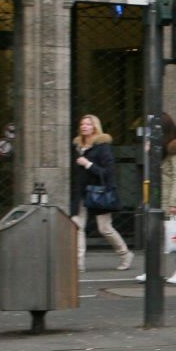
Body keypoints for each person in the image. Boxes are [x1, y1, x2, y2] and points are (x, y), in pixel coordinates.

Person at [71, 114, 133, 272]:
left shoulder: (102, 146)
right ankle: (79, 263)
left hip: (99, 192)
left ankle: (125, 254)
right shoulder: (78, 146)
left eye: (88, 124)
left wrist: (88, 164)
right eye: (82, 124)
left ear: (95, 127)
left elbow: (108, 172)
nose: (84, 126)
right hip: (81, 192)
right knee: (78, 226)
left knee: (104, 228)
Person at [137, 113, 176, 284]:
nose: (151, 133)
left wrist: (174, 204)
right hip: (158, 199)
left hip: (173, 201)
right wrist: (150, 152)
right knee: (155, 236)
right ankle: (154, 270)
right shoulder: (160, 146)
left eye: (155, 129)